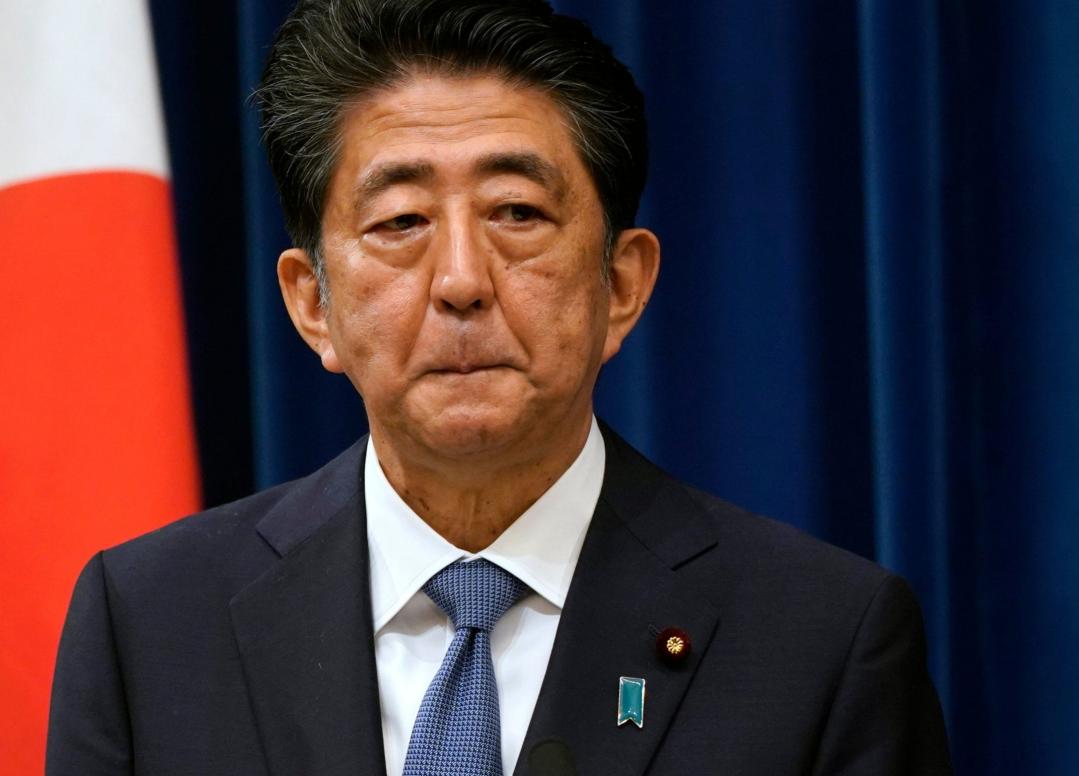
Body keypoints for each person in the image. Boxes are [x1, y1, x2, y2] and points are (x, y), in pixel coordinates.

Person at [46, 1, 953, 774]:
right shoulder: (152, 625)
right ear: (311, 303)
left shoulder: (822, 641)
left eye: (517, 212)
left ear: (623, 284)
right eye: (400, 221)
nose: (461, 280)